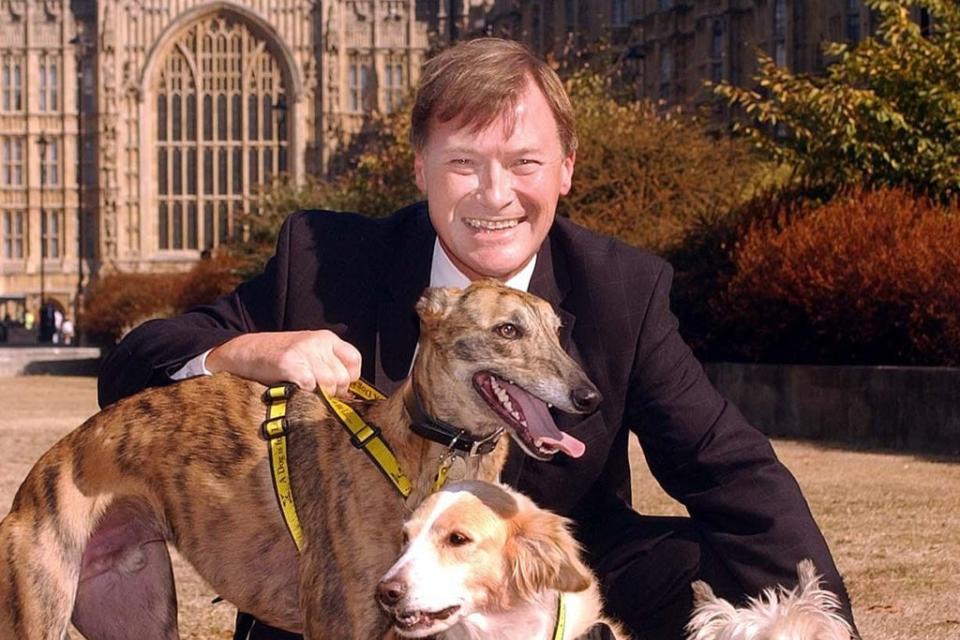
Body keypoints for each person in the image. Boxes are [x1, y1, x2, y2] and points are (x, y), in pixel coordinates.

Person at [98, 38, 857, 640]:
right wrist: (240, 353)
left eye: (524, 162)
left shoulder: (620, 289)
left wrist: (832, 624)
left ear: (565, 170)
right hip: (363, 589)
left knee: (724, 568)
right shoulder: (328, 264)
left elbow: (727, 468)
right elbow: (134, 370)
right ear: (421, 167)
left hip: (548, 579)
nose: (495, 195)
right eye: (464, 163)